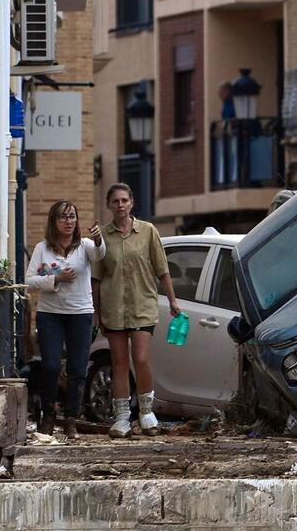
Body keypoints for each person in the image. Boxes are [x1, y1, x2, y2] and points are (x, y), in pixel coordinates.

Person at [91, 184, 181, 438]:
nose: (120, 205)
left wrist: (173, 301)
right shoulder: (103, 238)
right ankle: (121, 417)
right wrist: (97, 314)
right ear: (109, 205)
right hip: (113, 307)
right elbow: (96, 280)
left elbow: (162, 269)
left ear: (132, 203)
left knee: (141, 358)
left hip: (143, 305)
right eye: (115, 201)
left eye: (124, 200)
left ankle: (146, 412)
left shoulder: (148, 231)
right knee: (119, 363)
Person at [25, 201, 105, 438]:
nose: (68, 221)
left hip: (80, 313)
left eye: (72, 217)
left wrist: (100, 240)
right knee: (50, 365)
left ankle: (71, 418)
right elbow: (29, 280)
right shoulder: (42, 249)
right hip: (50, 314)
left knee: (77, 368)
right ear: (54, 221)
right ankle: (48, 415)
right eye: (63, 217)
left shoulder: (85, 246)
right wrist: (55, 278)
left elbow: (100, 254)